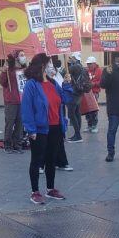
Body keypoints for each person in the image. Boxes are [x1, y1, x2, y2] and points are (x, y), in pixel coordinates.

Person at [21, 53, 73, 205]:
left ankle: (50, 189)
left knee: (51, 159)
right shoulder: (32, 85)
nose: (52, 66)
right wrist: (31, 130)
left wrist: (67, 84)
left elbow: (65, 99)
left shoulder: (52, 82)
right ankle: (35, 191)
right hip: (40, 128)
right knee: (37, 160)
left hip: (56, 126)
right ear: (42, 65)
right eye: (49, 63)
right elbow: (27, 108)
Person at [0, 50, 27, 154]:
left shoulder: (24, 69)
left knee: (20, 124)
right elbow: (2, 82)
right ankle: (7, 145)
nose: (23, 57)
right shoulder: (9, 70)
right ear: (16, 58)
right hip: (11, 101)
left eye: (24, 55)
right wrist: (3, 71)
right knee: (10, 123)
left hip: (22, 101)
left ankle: (18, 144)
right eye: (21, 55)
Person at [66, 52, 90, 143]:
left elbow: (67, 71)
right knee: (77, 113)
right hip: (80, 93)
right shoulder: (82, 67)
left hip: (74, 93)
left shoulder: (75, 67)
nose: (70, 59)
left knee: (72, 114)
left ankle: (78, 135)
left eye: (71, 58)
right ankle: (77, 134)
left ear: (75, 58)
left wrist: (68, 62)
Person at [84, 56, 102, 133]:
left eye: (89, 64)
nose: (88, 65)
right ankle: (89, 125)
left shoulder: (99, 71)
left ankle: (94, 125)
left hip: (94, 92)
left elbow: (102, 82)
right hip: (87, 92)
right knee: (87, 110)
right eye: (87, 64)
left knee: (94, 109)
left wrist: (94, 84)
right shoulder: (86, 71)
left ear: (94, 63)